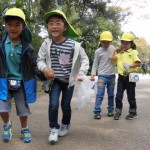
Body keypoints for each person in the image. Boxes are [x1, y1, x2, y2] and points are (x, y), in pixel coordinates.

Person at [37, 10, 89, 144]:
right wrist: (45, 69)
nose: (54, 26)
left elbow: (85, 59)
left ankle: (66, 123)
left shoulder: (74, 45)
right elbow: (39, 60)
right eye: (51, 23)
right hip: (54, 81)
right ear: (48, 27)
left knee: (65, 105)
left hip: (68, 82)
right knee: (53, 105)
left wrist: (81, 72)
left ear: (65, 27)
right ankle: (54, 128)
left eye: (58, 23)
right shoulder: (46, 43)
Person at [0, 8, 45, 143]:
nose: (13, 28)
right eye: (10, 24)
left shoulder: (27, 48)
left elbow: (34, 66)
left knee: (23, 110)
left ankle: (25, 128)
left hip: (22, 84)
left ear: (23, 26)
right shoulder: (1, 45)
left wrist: (44, 76)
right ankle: (7, 124)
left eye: (17, 25)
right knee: (1, 108)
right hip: (4, 83)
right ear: (5, 26)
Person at [109, 33, 141, 120]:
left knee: (131, 96)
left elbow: (138, 63)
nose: (124, 45)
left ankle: (133, 112)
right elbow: (111, 57)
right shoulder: (120, 53)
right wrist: (115, 49)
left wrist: (130, 65)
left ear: (131, 43)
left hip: (130, 76)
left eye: (126, 43)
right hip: (121, 77)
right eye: (123, 43)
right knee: (118, 96)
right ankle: (118, 113)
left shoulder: (134, 52)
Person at [90, 31, 116, 119]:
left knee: (111, 95)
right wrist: (93, 74)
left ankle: (111, 111)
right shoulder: (98, 51)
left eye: (108, 42)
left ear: (111, 42)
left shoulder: (113, 49)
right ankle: (97, 111)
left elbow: (118, 59)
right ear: (100, 41)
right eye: (103, 41)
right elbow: (95, 64)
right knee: (100, 94)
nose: (105, 43)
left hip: (112, 76)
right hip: (102, 76)